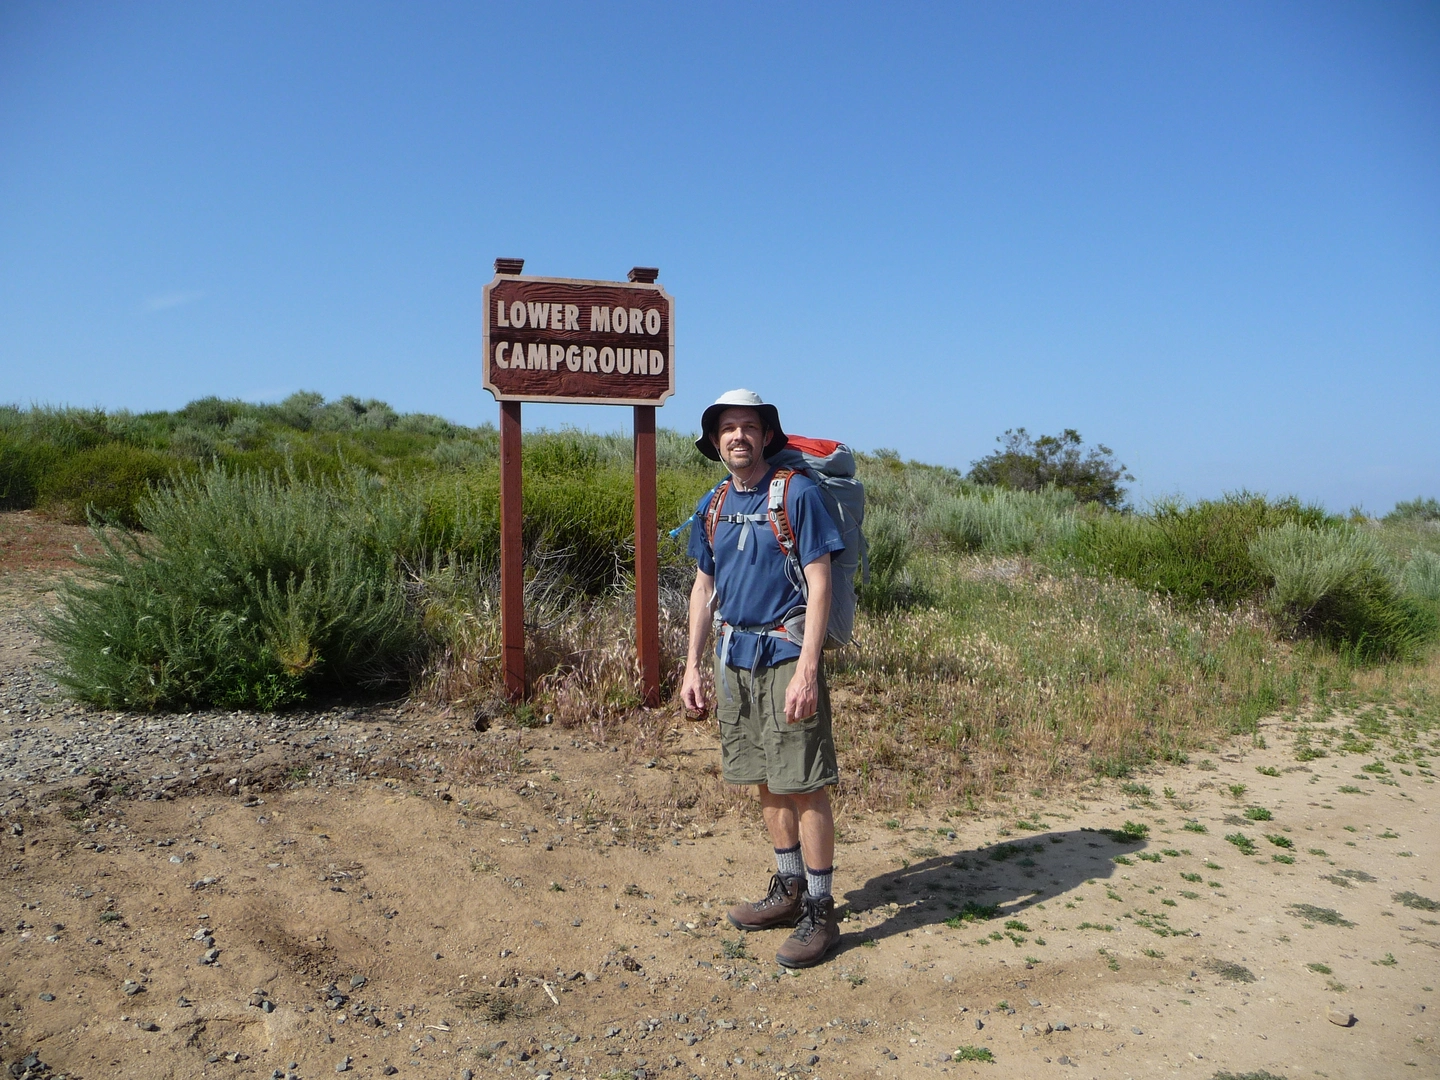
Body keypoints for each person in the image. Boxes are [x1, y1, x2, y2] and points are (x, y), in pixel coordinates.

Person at [680, 389, 846, 969]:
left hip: (785, 657)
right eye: (727, 428)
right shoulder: (716, 501)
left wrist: (809, 668)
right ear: (716, 441)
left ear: (766, 435)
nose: (738, 437)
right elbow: (704, 588)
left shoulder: (795, 494)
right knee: (765, 778)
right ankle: (788, 886)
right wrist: (692, 665)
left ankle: (820, 910)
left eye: (748, 426)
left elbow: (819, 581)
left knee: (803, 780)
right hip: (734, 660)